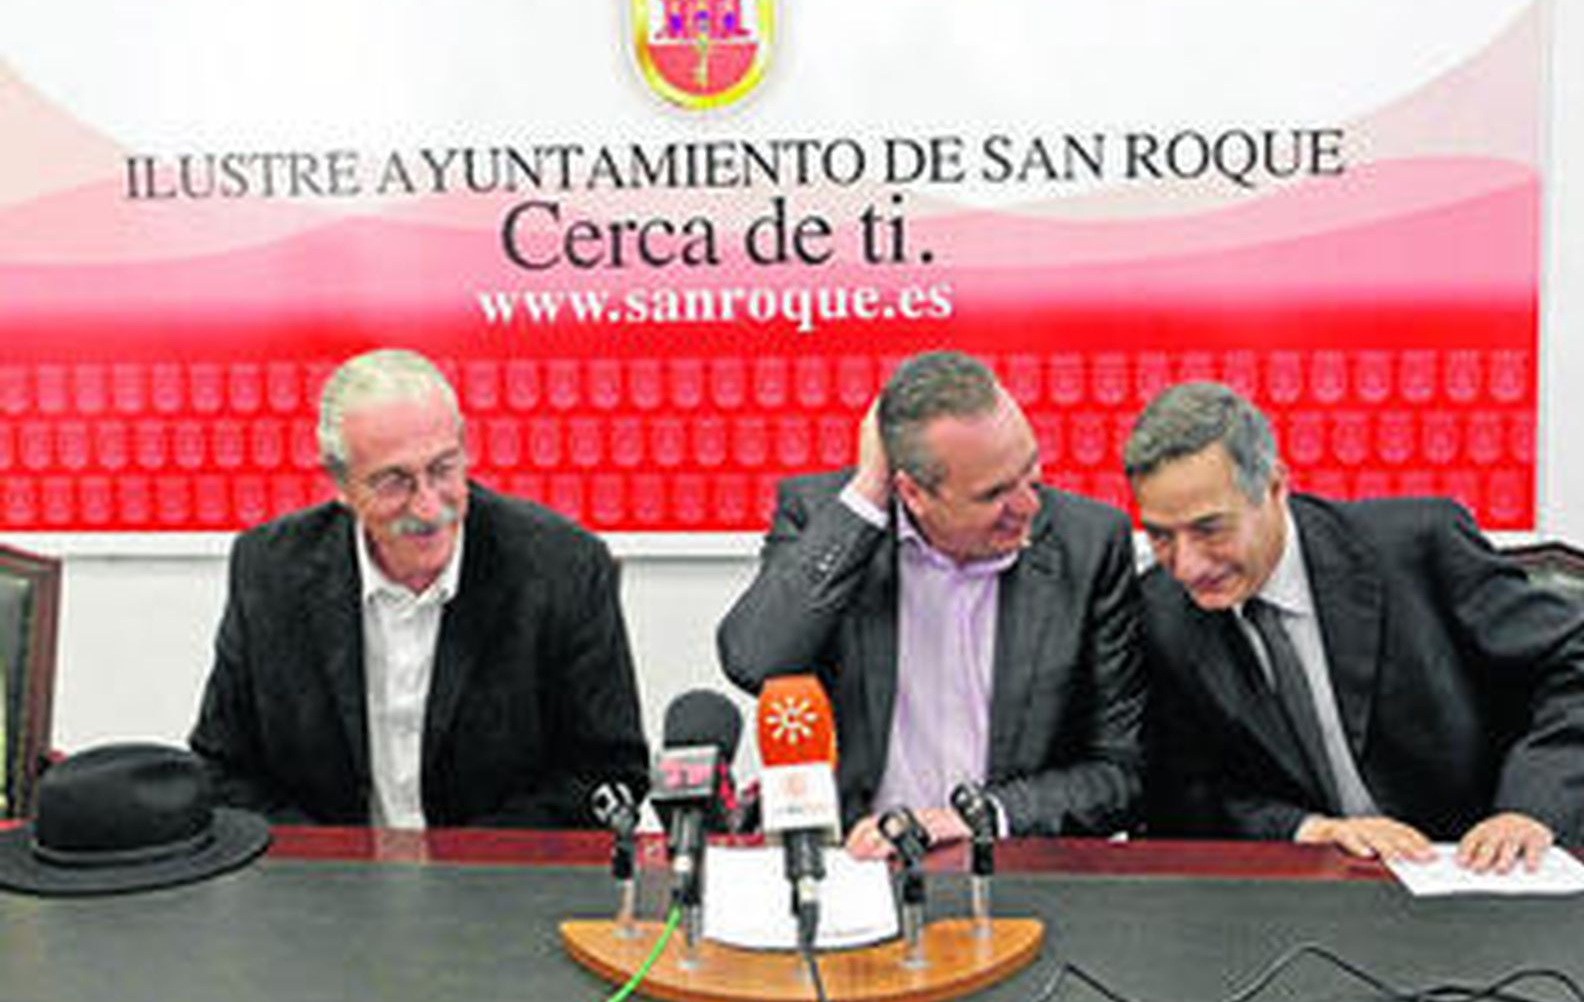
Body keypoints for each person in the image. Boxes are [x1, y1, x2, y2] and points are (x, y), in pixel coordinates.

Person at [1125, 380, 1584, 872]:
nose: (1187, 566)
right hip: (1313, 889)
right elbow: (1187, 789)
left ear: (1273, 487)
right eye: (1161, 536)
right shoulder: (1163, 609)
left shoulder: (1419, 547)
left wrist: (1531, 808)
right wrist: (1310, 829)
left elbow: (1581, 666)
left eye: (1209, 529)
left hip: (1479, 865)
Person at [190, 349, 648, 827]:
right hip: (325, 887)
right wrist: (337, 869)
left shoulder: (561, 568)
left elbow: (608, 776)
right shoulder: (271, 570)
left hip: (502, 888)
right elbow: (223, 772)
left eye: (443, 469)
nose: (429, 507)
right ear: (340, 483)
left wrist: (452, 876)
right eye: (395, 482)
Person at [717, 350, 1143, 856]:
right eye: (994, 494)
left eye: (1031, 472)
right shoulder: (827, 517)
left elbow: (1118, 772)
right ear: (913, 493)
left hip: (1012, 869)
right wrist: (868, 495)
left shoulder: (1089, 543)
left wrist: (977, 819)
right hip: (857, 863)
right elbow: (754, 659)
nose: (1028, 507)